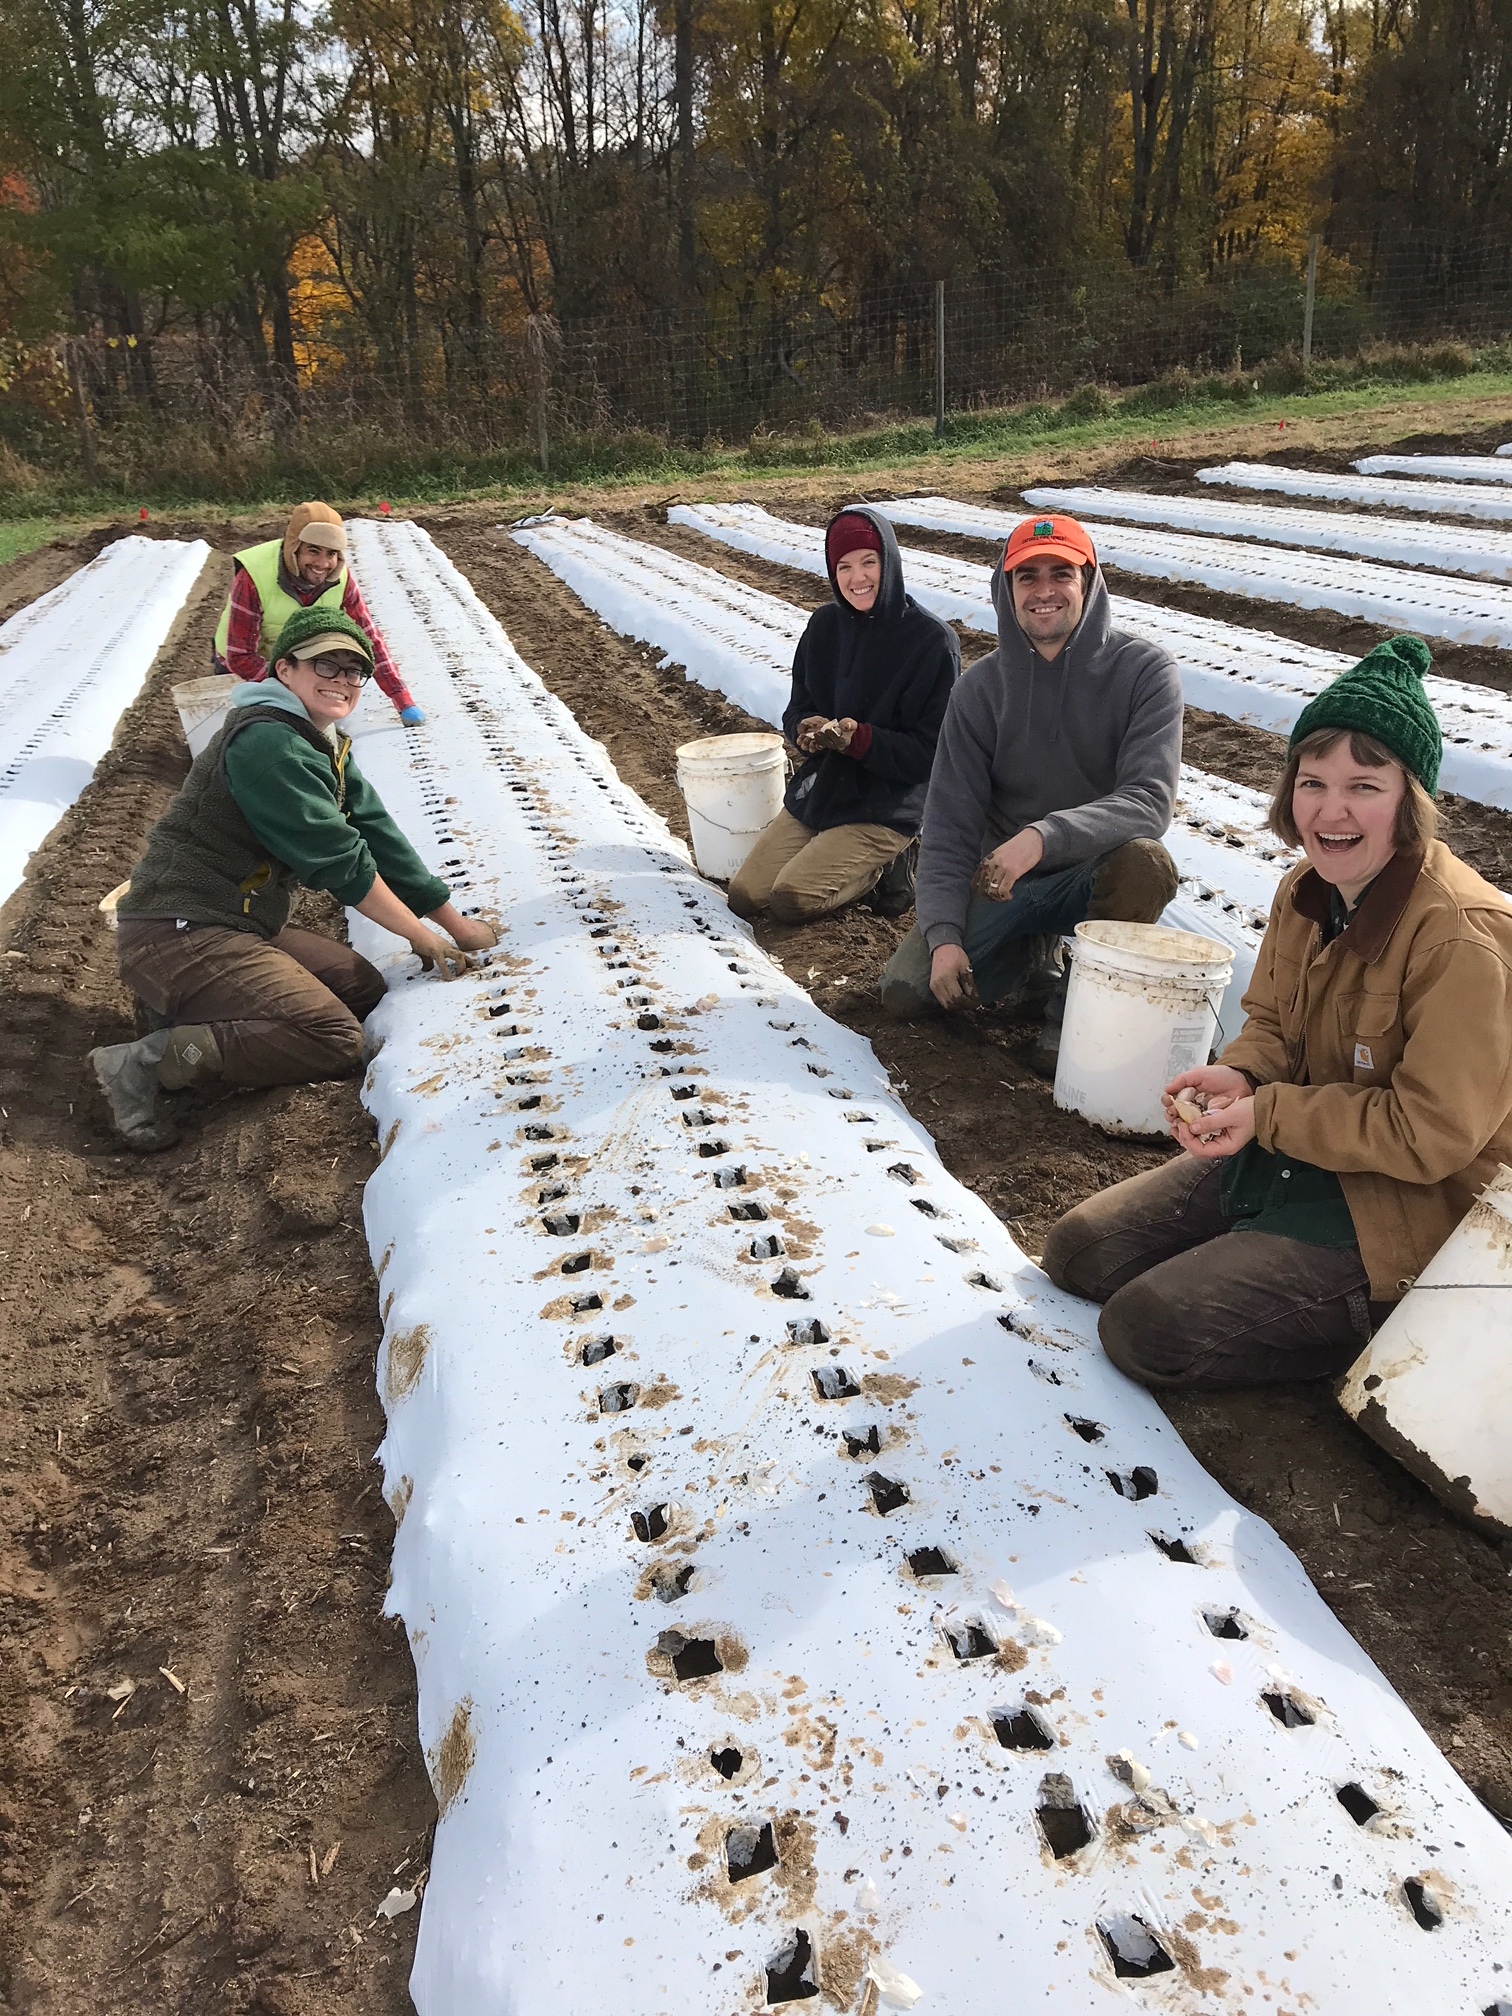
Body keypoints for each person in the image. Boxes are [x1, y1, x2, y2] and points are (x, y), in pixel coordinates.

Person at [1040, 634, 1512, 1390]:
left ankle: (1392, 1330)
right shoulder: (1307, 890)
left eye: (1364, 785)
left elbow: (1431, 1136)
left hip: (1405, 1207)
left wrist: (1268, 1116)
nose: (1331, 809)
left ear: (1411, 799)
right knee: (1078, 1252)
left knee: (1146, 1330)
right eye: (1313, 781)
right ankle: (1262, 1247)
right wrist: (1239, 1075)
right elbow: (1270, 1022)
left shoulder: (1463, 940)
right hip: (1300, 1152)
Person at [91, 608, 495, 1151]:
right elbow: (339, 861)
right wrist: (421, 937)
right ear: (285, 670)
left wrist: (453, 923)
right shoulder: (269, 744)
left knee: (361, 988)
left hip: (236, 922)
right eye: (325, 664)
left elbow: (374, 830)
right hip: (179, 931)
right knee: (332, 1039)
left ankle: (183, 1010)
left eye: (354, 670)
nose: (342, 679)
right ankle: (147, 1061)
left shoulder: (319, 740)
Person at [879, 513, 1181, 1073]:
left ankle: (1075, 1015)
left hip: (1089, 877)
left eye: (1060, 573)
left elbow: (1149, 799)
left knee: (1146, 864)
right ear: (1006, 588)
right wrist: (944, 938)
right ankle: (1029, 955)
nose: (1044, 591)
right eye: (1027, 576)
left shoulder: (1143, 672)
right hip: (1000, 884)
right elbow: (947, 826)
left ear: (1087, 582)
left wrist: (1043, 837)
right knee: (907, 993)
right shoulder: (979, 691)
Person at [726, 506, 959, 924]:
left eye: (869, 562)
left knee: (790, 899)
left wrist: (860, 740)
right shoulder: (825, 626)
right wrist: (805, 727)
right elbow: (799, 703)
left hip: (887, 803)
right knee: (745, 896)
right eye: (844, 566)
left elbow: (931, 752)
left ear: (889, 562)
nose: (858, 578)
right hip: (827, 789)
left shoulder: (930, 642)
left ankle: (887, 866)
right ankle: (836, 851)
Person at [212, 500, 425, 724]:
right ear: (294, 547)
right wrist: (290, 691)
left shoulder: (342, 581)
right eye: (313, 551)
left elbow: (369, 639)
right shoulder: (254, 576)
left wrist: (402, 700)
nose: (323, 564)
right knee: (254, 731)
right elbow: (240, 655)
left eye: (331, 553)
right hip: (242, 668)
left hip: (296, 663)